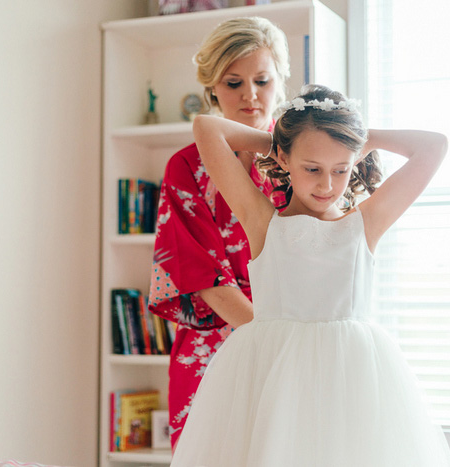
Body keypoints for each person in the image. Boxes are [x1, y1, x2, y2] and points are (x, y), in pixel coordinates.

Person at [170, 84, 450, 466]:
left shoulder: (365, 223)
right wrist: (284, 139)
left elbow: (434, 146)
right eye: (312, 168)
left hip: (349, 381)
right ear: (284, 159)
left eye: (341, 169)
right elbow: (207, 128)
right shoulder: (262, 221)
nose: (327, 185)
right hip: (271, 376)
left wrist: (360, 139)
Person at [146, 16, 291, 449]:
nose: (250, 95)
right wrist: (271, 339)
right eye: (233, 83)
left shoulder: (305, 167)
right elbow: (198, 272)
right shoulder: (185, 168)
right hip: (215, 348)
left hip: (291, 339)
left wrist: (292, 343)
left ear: (279, 81)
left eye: (262, 80)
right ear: (212, 89)